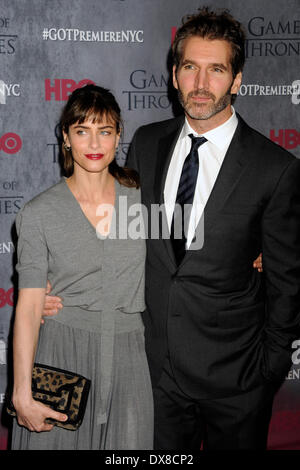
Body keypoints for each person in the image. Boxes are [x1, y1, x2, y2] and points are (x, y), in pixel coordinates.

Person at [43, 7, 300, 450]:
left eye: (216, 70)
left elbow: (288, 279)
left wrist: (270, 367)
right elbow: (122, 234)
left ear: (237, 80)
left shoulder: (275, 168)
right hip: (153, 372)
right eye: (189, 68)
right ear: (174, 74)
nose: (201, 84)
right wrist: (61, 283)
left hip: (237, 377)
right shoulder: (148, 141)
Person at [10, 84, 153, 450]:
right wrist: (21, 392)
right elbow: (28, 307)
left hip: (128, 361)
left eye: (104, 131)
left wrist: (255, 252)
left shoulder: (143, 203)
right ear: (66, 136)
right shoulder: (38, 213)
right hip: (61, 354)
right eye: (82, 131)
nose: (94, 143)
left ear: (118, 135)